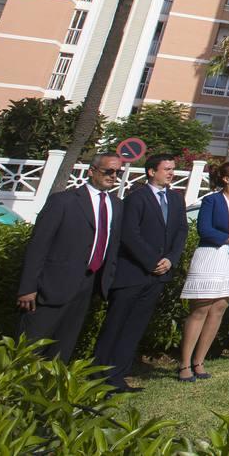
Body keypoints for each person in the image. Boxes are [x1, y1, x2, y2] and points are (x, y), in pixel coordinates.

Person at [92, 154, 188, 393]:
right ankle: (98, 375)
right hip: (132, 273)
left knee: (134, 327)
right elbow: (130, 234)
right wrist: (151, 260)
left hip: (158, 275)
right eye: (166, 169)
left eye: (172, 169)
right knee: (116, 324)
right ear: (151, 172)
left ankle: (118, 375)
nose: (171, 173)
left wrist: (170, 260)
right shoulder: (137, 198)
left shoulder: (176, 200)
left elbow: (181, 232)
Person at [16, 154, 125, 362]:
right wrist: (27, 288)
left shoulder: (116, 205)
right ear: (91, 171)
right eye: (108, 171)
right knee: (30, 348)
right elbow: (39, 246)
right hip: (51, 286)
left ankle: (50, 391)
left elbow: (112, 244)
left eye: (117, 173)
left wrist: (106, 281)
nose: (113, 176)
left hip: (87, 285)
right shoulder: (63, 201)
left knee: (63, 348)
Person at [176, 160, 229, 381]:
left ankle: (199, 361)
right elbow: (205, 229)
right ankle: (184, 364)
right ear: (226, 178)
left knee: (220, 308)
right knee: (201, 309)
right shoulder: (212, 200)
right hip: (213, 255)